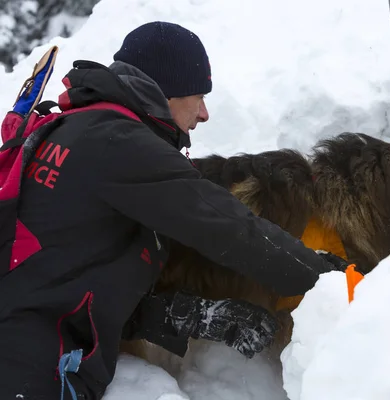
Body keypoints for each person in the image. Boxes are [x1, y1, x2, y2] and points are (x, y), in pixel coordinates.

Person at [0, 21, 350, 400]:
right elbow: (228, 226)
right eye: (198, 95)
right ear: (164, 91)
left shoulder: (76, 128)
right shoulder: (118, 141)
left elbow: (68, 276)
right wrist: (332, 280)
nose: (204, 113)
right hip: (27, 373)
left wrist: (187, 314)